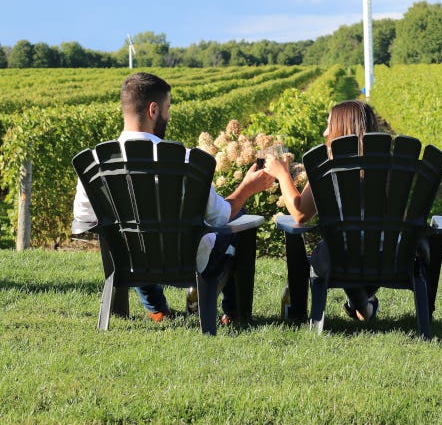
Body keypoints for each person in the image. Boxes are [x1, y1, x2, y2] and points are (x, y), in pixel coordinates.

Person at [72, 72, 272, 323]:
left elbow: (83, 220)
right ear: (153, 110)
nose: (168, 115)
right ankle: (232, 314)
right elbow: (220, 215)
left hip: (129, 260)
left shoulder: (95, 162)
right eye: (167, 108)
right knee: (239, 215)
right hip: (190, 261)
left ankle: (157, 309)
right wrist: (246, 188)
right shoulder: (184, 160)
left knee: (129, 234)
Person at [267, 99, 380, 322]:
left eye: (329, 125)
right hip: (388, 256)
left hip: (340, 258)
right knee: (353, 247)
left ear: (341, 130)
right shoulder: (392, 166)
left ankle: (298, 311)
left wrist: (282, 175)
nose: (325, 131)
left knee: (331, 250)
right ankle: (363, 307)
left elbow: (300, 213)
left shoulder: (329, 168)